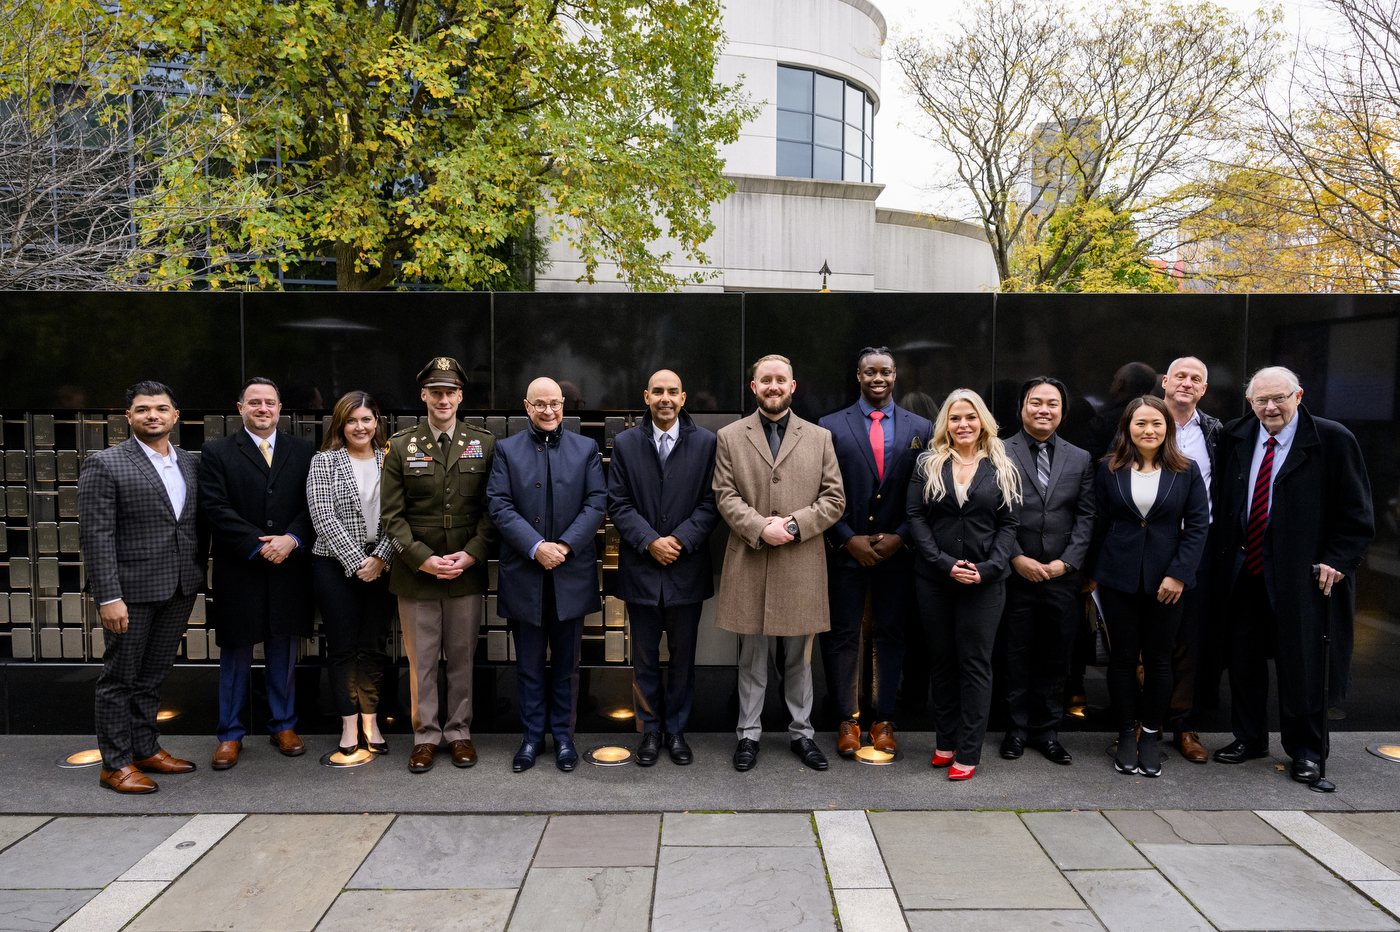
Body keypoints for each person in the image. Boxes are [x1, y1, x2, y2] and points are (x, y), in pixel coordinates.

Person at [1211, 366, 1373, 786]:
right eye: (1261, 400)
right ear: (1250, 403)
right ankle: (1249, 739)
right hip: (1245, 570)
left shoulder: (1332, 439)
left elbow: (1356, 515)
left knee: (1303, 663)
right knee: (1244, 660)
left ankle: (1306, 752)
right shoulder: (1236, 435)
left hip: (1303, 576)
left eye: (1279, 398)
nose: (1270, 407)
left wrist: (1338, 559)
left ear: (1298, 396)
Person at [713, 354, 845, 773]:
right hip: (750, 560)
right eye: (765, 380)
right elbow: (724, 495)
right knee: (750, 657)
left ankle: (801, 735)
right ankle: (747, 736)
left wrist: (792, 525)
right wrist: (758, 527)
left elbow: (834, 499)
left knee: (799, 660)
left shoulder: (819, 437)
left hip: (801, 562)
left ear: (793, 386)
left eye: (780, 380)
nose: (773, 386)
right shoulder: (730, 436)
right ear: (754, 387)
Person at [79, 381, 204, 794]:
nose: (153, 415)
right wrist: (107, 596)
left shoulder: (189, 463)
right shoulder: (106, 463)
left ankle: (145, 748)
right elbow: (95, 535)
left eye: (161, 408)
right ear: (128, 416)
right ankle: (114, 764)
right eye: (144, 409)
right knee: (119, 678)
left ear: (175, 416)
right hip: (129, 594)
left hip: (179, 587)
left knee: (152, 677)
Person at [380, 358, 498, 773]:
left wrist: (473, 553)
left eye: (450, 392)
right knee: (423, 660)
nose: (443, 399)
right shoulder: (400, 445)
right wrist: (422, 559)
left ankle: (460, 733)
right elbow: (390, 516)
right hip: (417, 575)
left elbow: (492, 508)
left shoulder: (484, 443)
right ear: (424, 396)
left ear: (461, 396)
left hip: (465, 570)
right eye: (436, 391)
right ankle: (425, 736)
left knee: (462, 657)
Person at [487, 377, 607, 773]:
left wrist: (566, 546)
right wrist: (538, 547)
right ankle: (531, 738)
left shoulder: (586, 448)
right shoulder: (506, 450)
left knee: (568, 666)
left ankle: (564, 738)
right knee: (529, 665)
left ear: (564, 405)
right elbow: (500, 506)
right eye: (540, 404)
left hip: (570, 574)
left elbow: (596, 502)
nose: (549, 411)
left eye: (554, 403)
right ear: (527, 406)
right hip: (525, 574)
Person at [818, 347, 932, 757]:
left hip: (898, 553)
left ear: (896, 375)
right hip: (845, 549)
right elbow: (820, 491)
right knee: (842, 636)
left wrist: (902, 535)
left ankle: (884, 720)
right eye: (869, 372)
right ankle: (847, 721)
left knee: (891, 635)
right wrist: (846, 537)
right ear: (859, 376)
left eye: (885, 371)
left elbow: (926, 493)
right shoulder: (830, 426)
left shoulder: (924, 428)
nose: (877, 378)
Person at [1087, 396, 1209, 778]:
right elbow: (1098, 524)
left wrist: (1179, 574)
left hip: (1167, 582)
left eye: (1156, 423)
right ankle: (1126, 733)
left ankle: (1152, 735)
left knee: (1159, 660)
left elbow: (1198, 526)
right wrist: (1091, 575)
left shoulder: (1186, 470)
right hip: (1117, 579)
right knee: (1122, 658)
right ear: (1127, 427)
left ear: (1167, 428)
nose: (1149, 430)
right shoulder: (1107, 468)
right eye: (1140, 423)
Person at [198, 377, 316, 770]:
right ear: (240, 408)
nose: (262, 408)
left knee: (283, 651)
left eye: (269, 402)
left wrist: (292, 539)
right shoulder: (216, 452)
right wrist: (258, 543)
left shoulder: (303, 450)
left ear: (280, 408)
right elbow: (214, 508)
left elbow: (312, 504)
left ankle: (283, 725)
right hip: (240, 567)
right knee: (235, 654)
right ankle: (229, 734)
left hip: (289, 567)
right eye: (254, 403)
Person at [607, 369, 720, 766]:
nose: (665, 398)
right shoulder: (625, 443)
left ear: (684, 397)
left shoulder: (707, 443)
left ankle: (676, 731)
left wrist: (680, 541)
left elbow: (712, 503)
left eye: (673, 391)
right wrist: (650, 541)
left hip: (685, 569)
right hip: (641, 570)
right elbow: (617, 503)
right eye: (658, 392)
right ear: (646, 396)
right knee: (644, 660)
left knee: (683, 659)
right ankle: (650, 732)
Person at [907, 388, 1020, 781]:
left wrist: (988, 568)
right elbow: (916, 517)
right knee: (941, 661)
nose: (963, 425)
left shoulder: (1003, 463)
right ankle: (945, 741)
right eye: (955, 418)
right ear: (945, 424)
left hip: (984, 582)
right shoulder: (928, 463)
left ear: (982, 421)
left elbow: (1009, 525)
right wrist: (943, 563)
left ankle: (968, 751)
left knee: (974, 664)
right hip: (935, 579)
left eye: (970, 417)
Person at [999, 377, 1095, 766]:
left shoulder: (1080, 458)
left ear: (1062, 411)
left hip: (1061, 576)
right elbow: (993, 511)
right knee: (1014, 654)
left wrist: (1067, 562)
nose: (1044, 410)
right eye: (1035, 402)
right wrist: (1016, 557)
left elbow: (1087, 515)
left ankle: (1047, 731)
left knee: (1056, 656)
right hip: (1015, 573)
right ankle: (1016, 730)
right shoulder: (999, 451)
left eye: (1052, 404)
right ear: (1022, 407)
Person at [307, 392, 396, 757]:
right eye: (351, 420)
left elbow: (401, 514)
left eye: (366, 419)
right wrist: (358, 561)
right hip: (333, 565)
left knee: (373, 647)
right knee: (342, 648)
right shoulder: (324, 461)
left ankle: (371, 722)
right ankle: (347, 724)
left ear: (377, 422)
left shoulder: (391, 460)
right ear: (340, 425)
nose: (360, 427)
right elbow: (322, 516)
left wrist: (380, 558)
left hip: (384, 564)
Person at [1160, 357, 1222, 764]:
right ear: (1165, 381)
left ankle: (1184, 725)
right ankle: (1136, 723)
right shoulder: (1139, 420)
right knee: (1141, 642)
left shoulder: (1217, 432)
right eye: (1180, 376)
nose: (1187, 383)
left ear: (1203, 389)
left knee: (1191, 641)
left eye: (1196, 378)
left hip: (1198, 548)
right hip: (1145, 545)